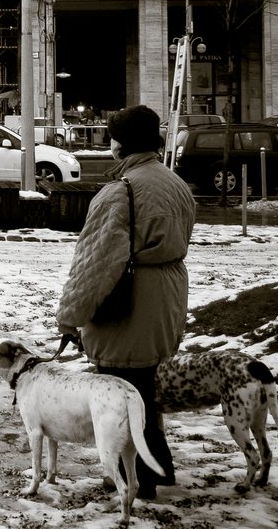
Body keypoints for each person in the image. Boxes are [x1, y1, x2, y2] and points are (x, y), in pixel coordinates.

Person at [56, 103, 196, 500]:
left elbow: (96, 263)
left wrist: (70, 317)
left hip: (129, 300)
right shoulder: (174, 182)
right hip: (166, 294)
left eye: (113, 137)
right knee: (145, 389)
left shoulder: (121, 191)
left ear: (122, 144)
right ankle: (157, 468)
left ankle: (132, 477)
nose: (110, 144)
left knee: (120, 393)